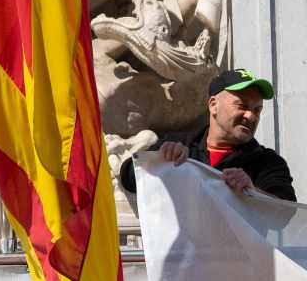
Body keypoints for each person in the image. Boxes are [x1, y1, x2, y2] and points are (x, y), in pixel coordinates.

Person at [119, 68, 297, 201]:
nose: (250, 116)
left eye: (257, 110)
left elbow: (286, 214)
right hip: (184, 252)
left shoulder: (267, 162)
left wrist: (252, 191)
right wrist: (159, 158)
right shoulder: (179, 144)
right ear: (213, 105)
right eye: (242, 106)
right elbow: (128, 178)